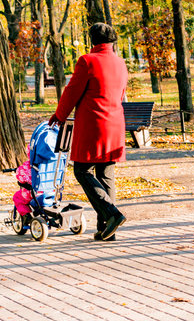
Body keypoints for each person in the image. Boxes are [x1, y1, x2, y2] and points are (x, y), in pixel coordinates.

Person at [48, 23, 127, 241]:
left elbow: (72, 91)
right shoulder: (121, 63)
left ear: (92, 40)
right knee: (106, 174)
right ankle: (106, 230)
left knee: (82, 171)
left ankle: (112, 214)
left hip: (95, 124)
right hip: (115, 124)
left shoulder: (87, 61)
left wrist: (60, 115)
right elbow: (120, 94)